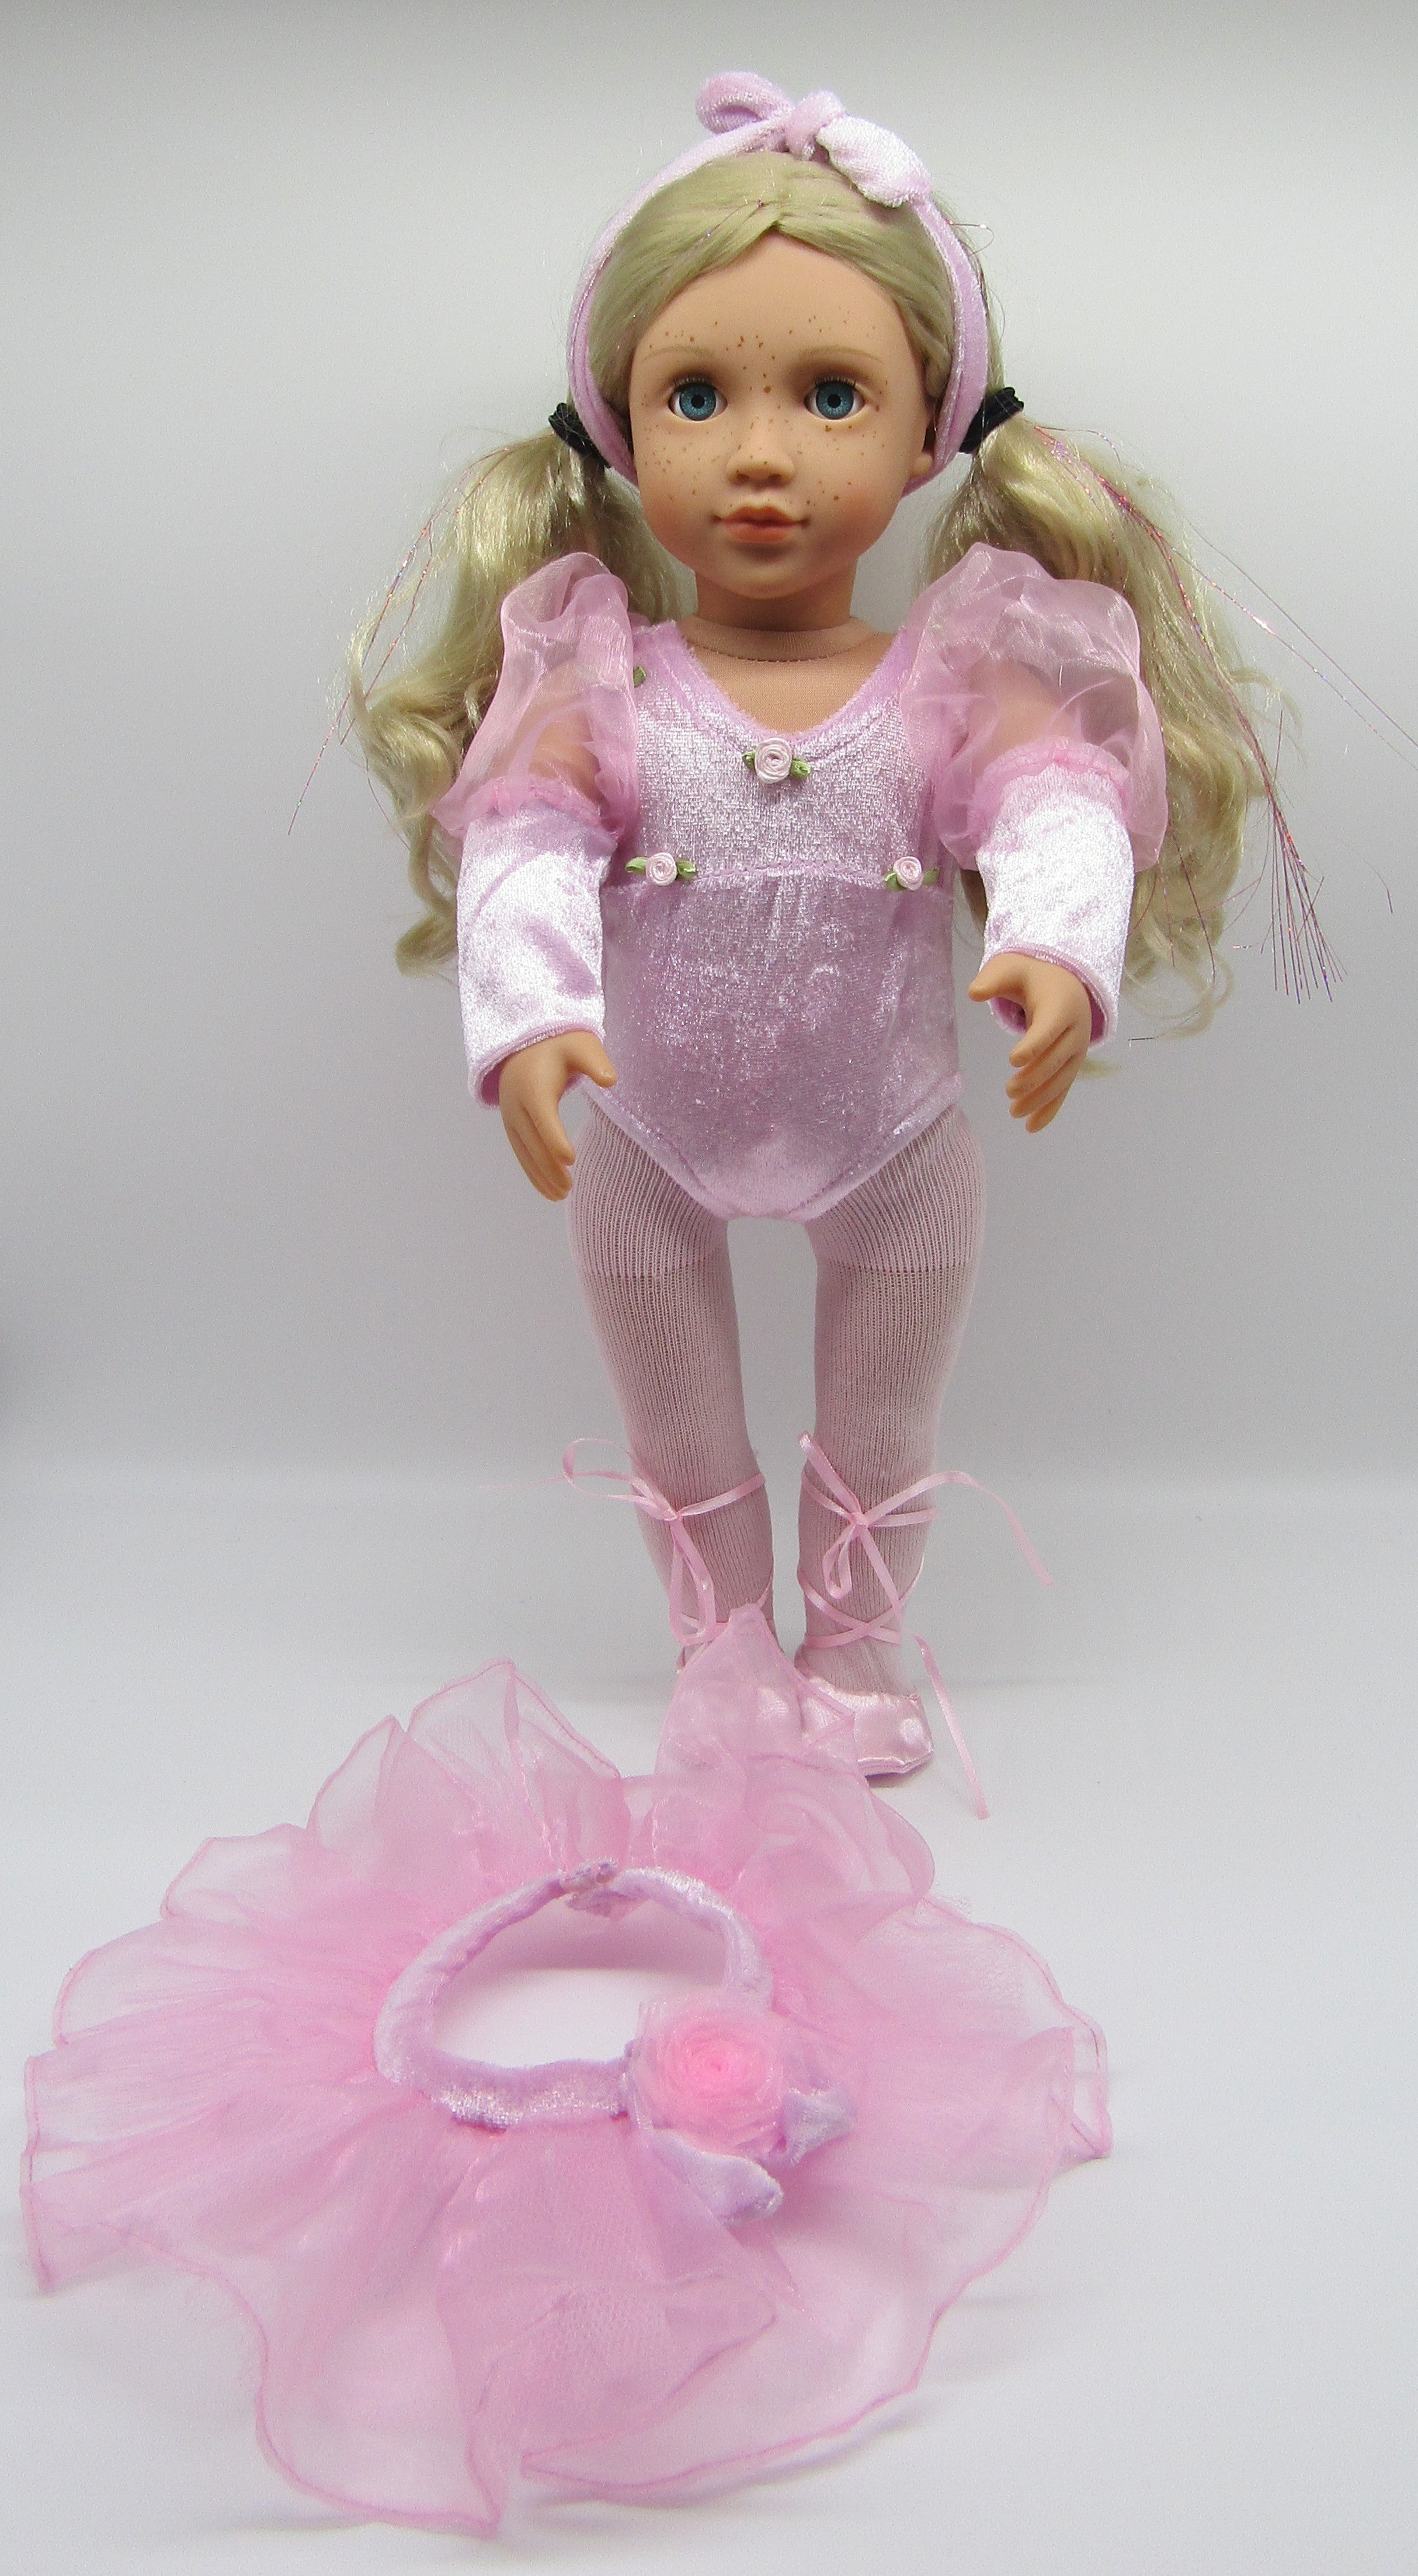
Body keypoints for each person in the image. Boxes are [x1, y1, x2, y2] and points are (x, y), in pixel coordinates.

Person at [352, 73, 1286, 1775]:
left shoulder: (961, 667)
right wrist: (533, 1015)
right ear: (620, 429)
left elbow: (1056, 805)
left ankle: (853, 1658)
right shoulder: (597, 671)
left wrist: (1055, 942)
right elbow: (526, 840)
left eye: (832, 395)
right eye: (697, 396)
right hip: (648, 1141)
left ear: (929, 430)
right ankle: (721, 1654)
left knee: (881, 1422)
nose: (763, 454)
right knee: (680, 1430)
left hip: (897, 1143)